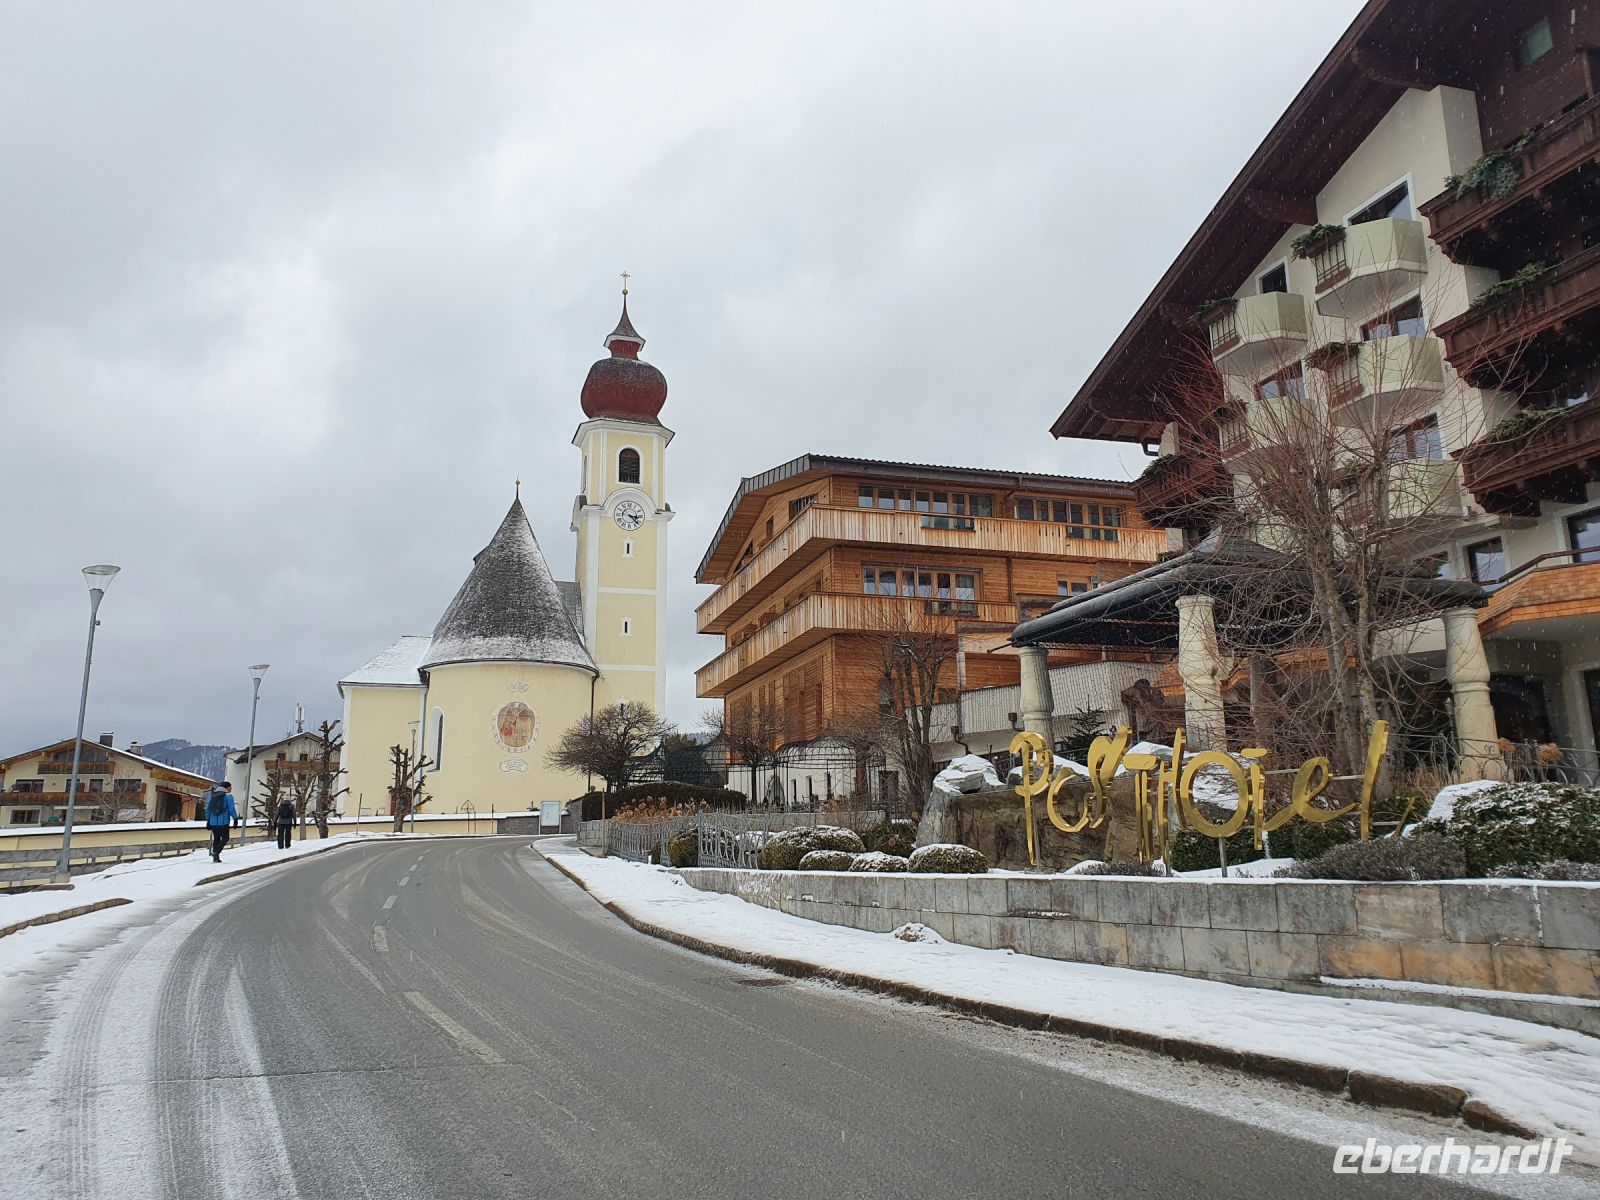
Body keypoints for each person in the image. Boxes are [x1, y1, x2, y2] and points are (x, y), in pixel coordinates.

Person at [205, 781, 237, 862]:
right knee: (225, 838)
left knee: (216, 839)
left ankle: (216, 857)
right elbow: (232, 809)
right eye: (230, 787)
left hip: (213, 822)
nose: (231, 789)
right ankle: (216, 852)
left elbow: (207, 809)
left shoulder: (213, 795)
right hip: (224, 822)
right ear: (227, 787)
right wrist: (235, 819)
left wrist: (208, 820)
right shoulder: (228, 796)